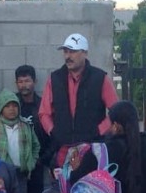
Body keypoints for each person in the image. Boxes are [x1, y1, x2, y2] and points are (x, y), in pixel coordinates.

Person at [38, 33, 118, 167]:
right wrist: (54, 131)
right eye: (65, 51)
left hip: (92, 149)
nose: (68, 56)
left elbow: (116, 112)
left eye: (73, 51)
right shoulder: (55, 79)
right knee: (62, 187)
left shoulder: (100, 78)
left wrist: (99, 131)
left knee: (90, 187)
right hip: (63, 149)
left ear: (85, 53)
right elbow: (44, 113)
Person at [15, 64, 52, 193]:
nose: (24, 85)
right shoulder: (12, 105)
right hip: (17, 169)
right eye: (20, 81)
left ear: (34, 81)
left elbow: (51, 135)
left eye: (27, 80)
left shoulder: (42, 105)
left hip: (37, 166)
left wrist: (43, 159)